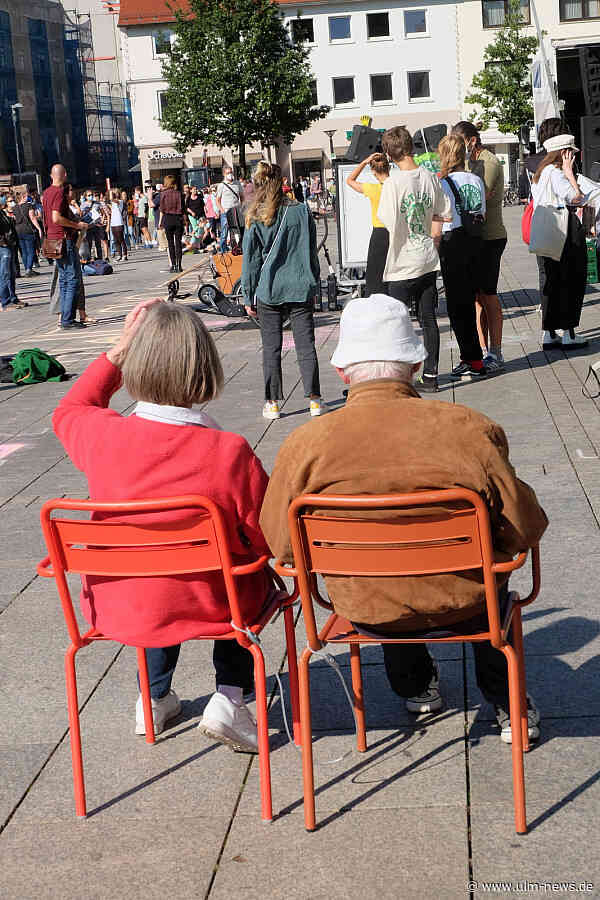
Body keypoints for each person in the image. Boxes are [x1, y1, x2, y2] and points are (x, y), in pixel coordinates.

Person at [260, 295, 548, 743]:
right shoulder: (468, 427)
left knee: (383, 573)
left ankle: (415, 686)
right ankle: (508, 704)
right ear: (415, 366)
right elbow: (525, 527)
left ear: (342, 372)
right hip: (468, 604)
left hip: (366, 609)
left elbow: (279, 543)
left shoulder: (305, 444)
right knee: (492, 576)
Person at [52, 298, 275, 751]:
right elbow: (266, 533)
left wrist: (118, 351)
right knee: (245, 570)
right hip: (212, 604)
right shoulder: (228, 451)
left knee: (152, 571)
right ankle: (230, 697)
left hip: (123, 603)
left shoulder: (101, 435)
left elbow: (70, 407)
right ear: (204, 368)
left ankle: (152, 697)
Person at [241, 161, 322, 420]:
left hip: (270, 287)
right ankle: (315, 399)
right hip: (300, 284)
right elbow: (311, 251)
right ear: (282, 181)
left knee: (271, 347)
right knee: (306, 344)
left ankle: (273, 402)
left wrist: (248, 294)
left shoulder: (256, 215)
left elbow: (251, 260)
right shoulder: (301, 210)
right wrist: (314, 281)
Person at [377, 125, 451, 394]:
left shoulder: (393, 183)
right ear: (410, 147)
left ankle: (399, 376)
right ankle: (431, 375)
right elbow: (444, 212)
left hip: (402, 260)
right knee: (428, 318)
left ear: (389, 153)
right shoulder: (430, 177)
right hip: (427, 256)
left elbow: (387, 220)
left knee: (397, 322)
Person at [452, 122, 507, 373]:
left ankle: (496, 352)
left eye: (459, 141)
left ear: (472, 141)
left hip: (490, 237)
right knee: (477, 298)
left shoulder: (489, 162)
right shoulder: (469, 163)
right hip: (473, 238)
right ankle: (483, 351)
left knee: (489, 295)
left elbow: (478, 196)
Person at [531, 134, 588, 349]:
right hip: (564, 230)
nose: (573, 156)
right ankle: (569, 333)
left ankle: (549, 332)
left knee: (550, 281)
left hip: (545, 231)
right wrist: (569, 173)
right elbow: (576, 198)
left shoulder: (540, 174)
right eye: (571, 153)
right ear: (563, 153)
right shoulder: (556, 173)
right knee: (571, 279)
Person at [438, 134, 488, 380]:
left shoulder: (443, 183)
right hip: (475, 239)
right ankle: (471, 357)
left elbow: (443, 218)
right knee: (469, 300)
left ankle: (473, 360)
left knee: (457, 306)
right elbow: (482, 212)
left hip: (453, 241)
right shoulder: (476, 179)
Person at [518, 118, 565, 309]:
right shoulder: (562, 161)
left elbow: (523, 194)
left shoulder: (530, 162)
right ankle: (562, 314)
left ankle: (546, 312)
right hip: (561, 221)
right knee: (564, 271)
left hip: (538, 220)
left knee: (544, 271)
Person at [42, 163, 87, 330]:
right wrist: (76, 225)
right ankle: (68, 319)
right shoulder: (59, 192)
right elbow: (56, 218)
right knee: (72, 278)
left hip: (52, 240)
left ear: (51, 176)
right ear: (65, 175)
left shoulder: (46, 192)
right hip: (63, 239)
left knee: (63, 279)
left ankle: (65, 318)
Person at [49, 184, 97, 328]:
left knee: (70, 280)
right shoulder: (61, 206)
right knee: (69, 280)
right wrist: (78, 225)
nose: (74, 192)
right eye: (70, 190)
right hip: (65, 245)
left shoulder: (67, 206)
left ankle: (70, 316)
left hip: (66, 244)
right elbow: (59, 221)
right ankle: (65, 318)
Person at [346, 153, 390, 296]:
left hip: (380, 234)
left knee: (375, 274)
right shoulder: (396, 186)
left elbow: (350, 180)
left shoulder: (373, 189)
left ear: (373, 171)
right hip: (396, 232)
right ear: (388, 168)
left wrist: (364, 162)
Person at [0, 195, 27, 310]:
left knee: (11, 273)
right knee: (4, 274)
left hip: (9, 244)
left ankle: (13, 298)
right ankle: (5, 301)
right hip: (3, 247)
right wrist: (2, 242)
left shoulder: (2, 213)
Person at [159, 174, 186, 272]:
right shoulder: (179, 194)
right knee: (178, 242)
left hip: (167, 219)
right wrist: (185, 220)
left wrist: (160, 222)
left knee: (170, 243)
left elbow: (162, 209)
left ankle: (173, 265)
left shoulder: (163, 194)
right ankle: (179, 265)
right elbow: (183, 208)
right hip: (178, 218)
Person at [13, 190, 42, 277]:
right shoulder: (29, 205)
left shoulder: (15, 208)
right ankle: (29, 269)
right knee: (31, 251)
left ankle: (27, 269)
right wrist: (39, 228)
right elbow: (32, 218)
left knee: (24, 251)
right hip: (28, 230)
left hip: (18, 230)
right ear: (23, 197)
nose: (28, 197)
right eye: (26, 196)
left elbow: (15, 219)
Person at [216, 166, 242, 253]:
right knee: (224, 232)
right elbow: (217, 200)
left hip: (236, 211)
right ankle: (223, 250)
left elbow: (242, 197)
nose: (230, 174)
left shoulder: (237, 183)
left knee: (237, 231)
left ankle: (237, 248)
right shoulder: (221, 185)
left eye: (231, 172)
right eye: (228, 173)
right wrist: (222, 211)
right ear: (224, 174)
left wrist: (242, 208)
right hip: (226, 211)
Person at [109, 189, 128, 262]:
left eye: (116, 193)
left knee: (121, 239)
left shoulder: (120, 201)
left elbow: (112, 199)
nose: (115, 194)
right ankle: (119, 255)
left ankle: (125, 255)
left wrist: (111, 193)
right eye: (114, 193)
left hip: (119, 222)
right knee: (116, 240)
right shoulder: (112, 202)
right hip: (113, 223)